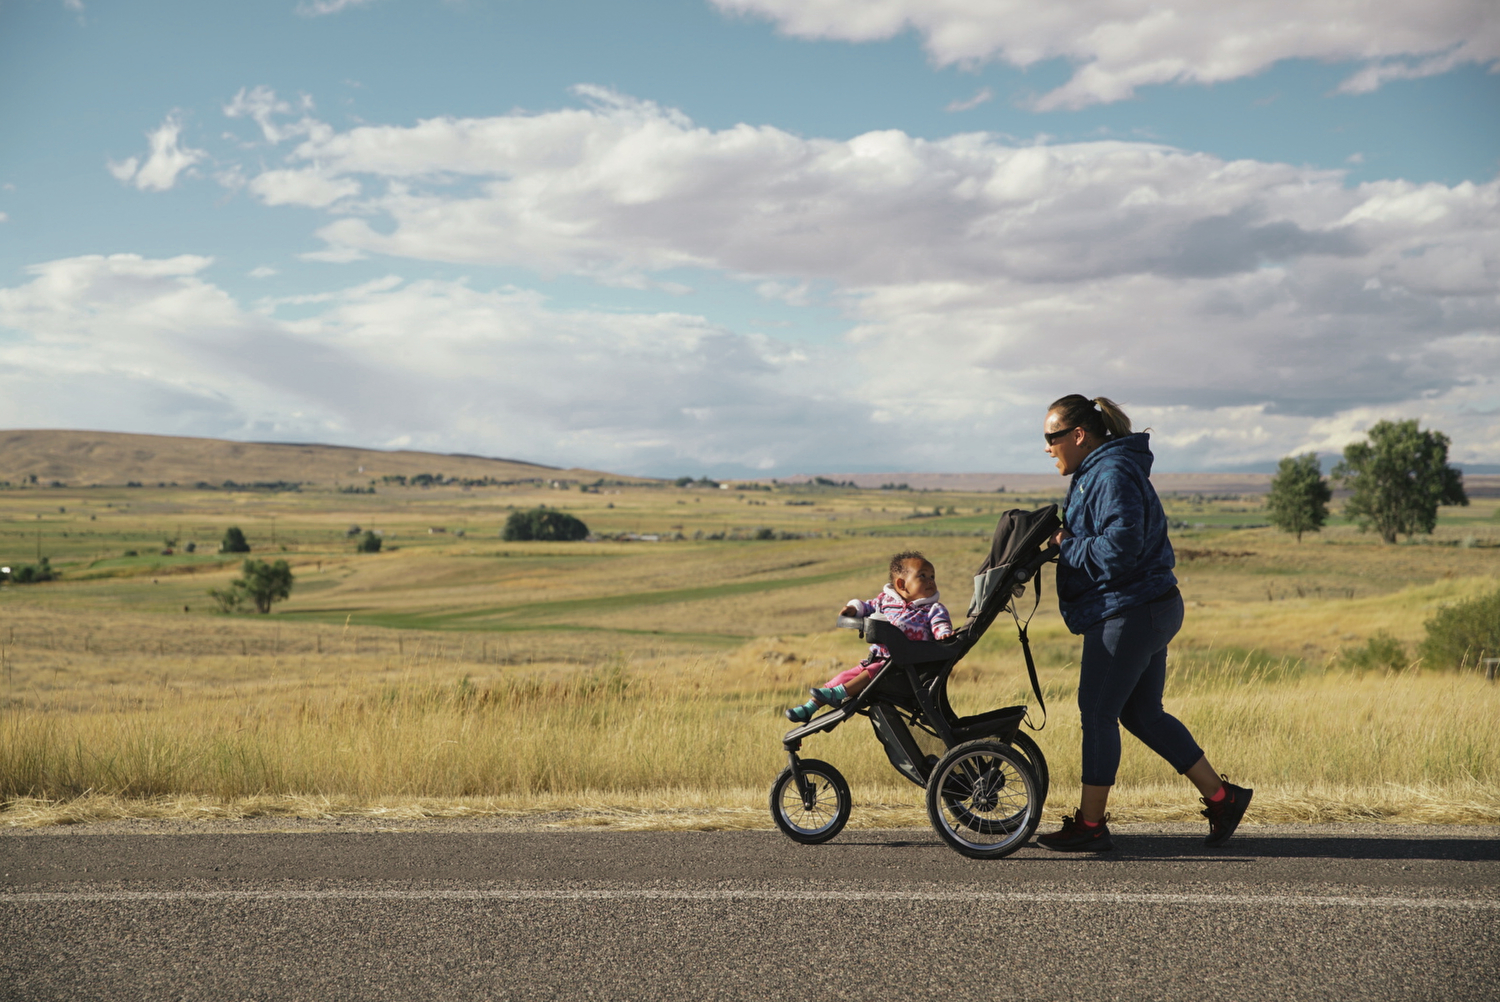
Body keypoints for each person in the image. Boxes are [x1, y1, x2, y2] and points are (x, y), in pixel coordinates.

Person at [1036, 394, 1252, 851]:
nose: (1047, 448)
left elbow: (1119, 549)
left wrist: (1066, 544)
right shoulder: (1097, 472)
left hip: (1130, 610)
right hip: (1148, 606)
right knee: (1141, 713)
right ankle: (1223, 797)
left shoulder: (1110, 473)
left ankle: (1091, 827)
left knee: (1097, 713)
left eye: (1051, 438)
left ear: (1078, 436)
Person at [785, 551, 953, 723]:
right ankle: (809, 707)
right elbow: (867, 606)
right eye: (923, 576)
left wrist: (944, 633)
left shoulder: (933, 608)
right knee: (844, 676)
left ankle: (840, 694)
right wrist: (853, 609)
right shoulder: (885, 601)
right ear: (901, 584)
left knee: (872, 672)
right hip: (876, 660)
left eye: (932, 576)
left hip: (905, 669)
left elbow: (940, 624)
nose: (930, 580)